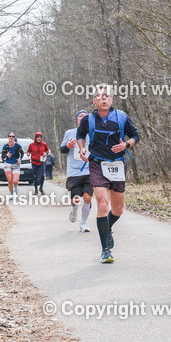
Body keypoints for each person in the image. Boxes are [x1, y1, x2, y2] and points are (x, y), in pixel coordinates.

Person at [77, 87, 140, 263]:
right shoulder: (88, 120)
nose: (103, 98)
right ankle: (105, 250)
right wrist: (82, 148)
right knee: (103, 205)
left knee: (118, 210)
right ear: (94, 101)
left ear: (111, 100)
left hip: (118, 164)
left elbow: (135, 135)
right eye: (99, 96)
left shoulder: (121, 117)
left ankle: (108, 227)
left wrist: (126, 145)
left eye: (107, 96)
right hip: (97, 164)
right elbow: (80, 134)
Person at [61, 109, 94, 232]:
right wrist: (68, 146)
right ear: (77, 120)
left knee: (88, 198)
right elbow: (62, 150)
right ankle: (74, 210)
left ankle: (83, 224)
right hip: (74, 171)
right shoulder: (70, 133)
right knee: (76, 199)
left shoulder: (93, 133)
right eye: (80, 116)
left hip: (89, 170)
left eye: (85, 116)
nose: (83, 118)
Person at [0, 133, 23, 197]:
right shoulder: (5, 146)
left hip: (16, 164)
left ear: (14, 138)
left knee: (15, 181)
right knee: (9, 181)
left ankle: (16, 186)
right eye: (10, 136)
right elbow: (2, 156)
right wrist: (6, 155)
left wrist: (20, 159)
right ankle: (12, 194)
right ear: (8, 137)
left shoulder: (18, 146)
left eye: (13, 136)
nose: (11, 137)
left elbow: (22, 153)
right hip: (8, 164)